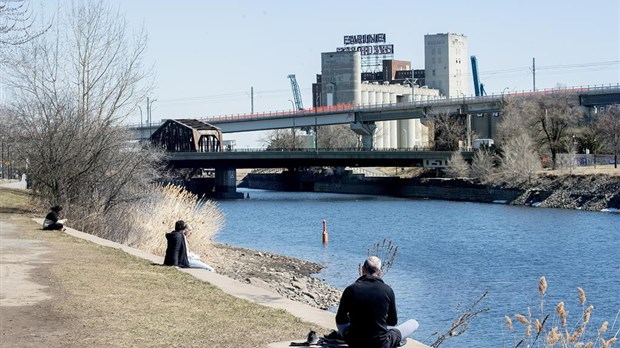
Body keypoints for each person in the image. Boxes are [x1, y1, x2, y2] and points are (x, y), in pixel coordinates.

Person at [335, 256, 419, 348]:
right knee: (414, 323)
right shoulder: (388, 290)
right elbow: (393, 321)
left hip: (355, 341)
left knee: (345, 326)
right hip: (381, 343)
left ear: (362, 269)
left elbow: (340, 319)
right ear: (380, 272)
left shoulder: (351, 289)